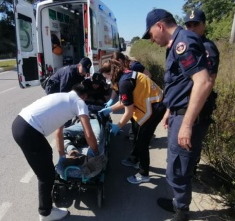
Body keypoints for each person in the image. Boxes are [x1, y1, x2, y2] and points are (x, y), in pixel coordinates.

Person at [142, 8, 214, 221]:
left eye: (151, 34)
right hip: (178, 112)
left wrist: (186, 124)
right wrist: (170, 111)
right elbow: (181, 84)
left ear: (160, 26)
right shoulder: (178, 43)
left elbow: (203, 82)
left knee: (178, 168)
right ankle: (178, 204)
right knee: (176, 164)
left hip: (186, 116)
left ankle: (181, 213)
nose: (152, 40)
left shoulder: (183, 43)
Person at [12, 84, 99, 221]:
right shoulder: (79, 102)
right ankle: (45, 213)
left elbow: (59, 132)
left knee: (46, 153)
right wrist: (96, 152)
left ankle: (47, 208)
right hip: (29, 131)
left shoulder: (62, 97)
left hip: (19, 123)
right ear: (84, 96)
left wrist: (62, 157)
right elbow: (88, 133)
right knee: (46, 175)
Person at [98, 59, 166, 184]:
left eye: (106, 76)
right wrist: (110, 109)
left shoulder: (124, 82)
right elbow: (125, 101)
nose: (106, 79)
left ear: (111, 73)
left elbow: (128, 111)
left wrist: (118, 126)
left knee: (142, 141)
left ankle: (143, 173)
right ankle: (134, 159)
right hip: (149, 104)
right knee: (135, 132)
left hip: (155, 107)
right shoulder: (124, 75)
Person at [184, 9, 220, 175]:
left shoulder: (207, 48)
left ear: (204, 25)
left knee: (190, 148)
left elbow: (208, 82)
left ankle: (184, 193)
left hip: (199, 107)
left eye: (195, 24)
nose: (191, 28)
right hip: (188, 104)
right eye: (188, 24)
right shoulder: (191, 46)